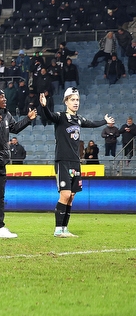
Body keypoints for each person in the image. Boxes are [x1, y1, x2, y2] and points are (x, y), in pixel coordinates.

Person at [40, 88, 111, 237]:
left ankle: (65, 228)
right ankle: (58, 229)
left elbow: (92, 123)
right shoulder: (60, 117)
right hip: (63, 161)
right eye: (72, 99)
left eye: (77, 100)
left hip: (75, 162)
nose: (76, 102)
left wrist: (105, 121)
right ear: (66, 101)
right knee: (65, 194)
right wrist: (44, 106)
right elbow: (49, 115)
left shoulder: (78, 120)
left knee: (71, 196)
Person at [0, 87, 36, 239]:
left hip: (2, 160)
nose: (5, 99)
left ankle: (0, 227)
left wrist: (28, 119)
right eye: (1, 97)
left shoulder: (6, 113)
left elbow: (15, 128)